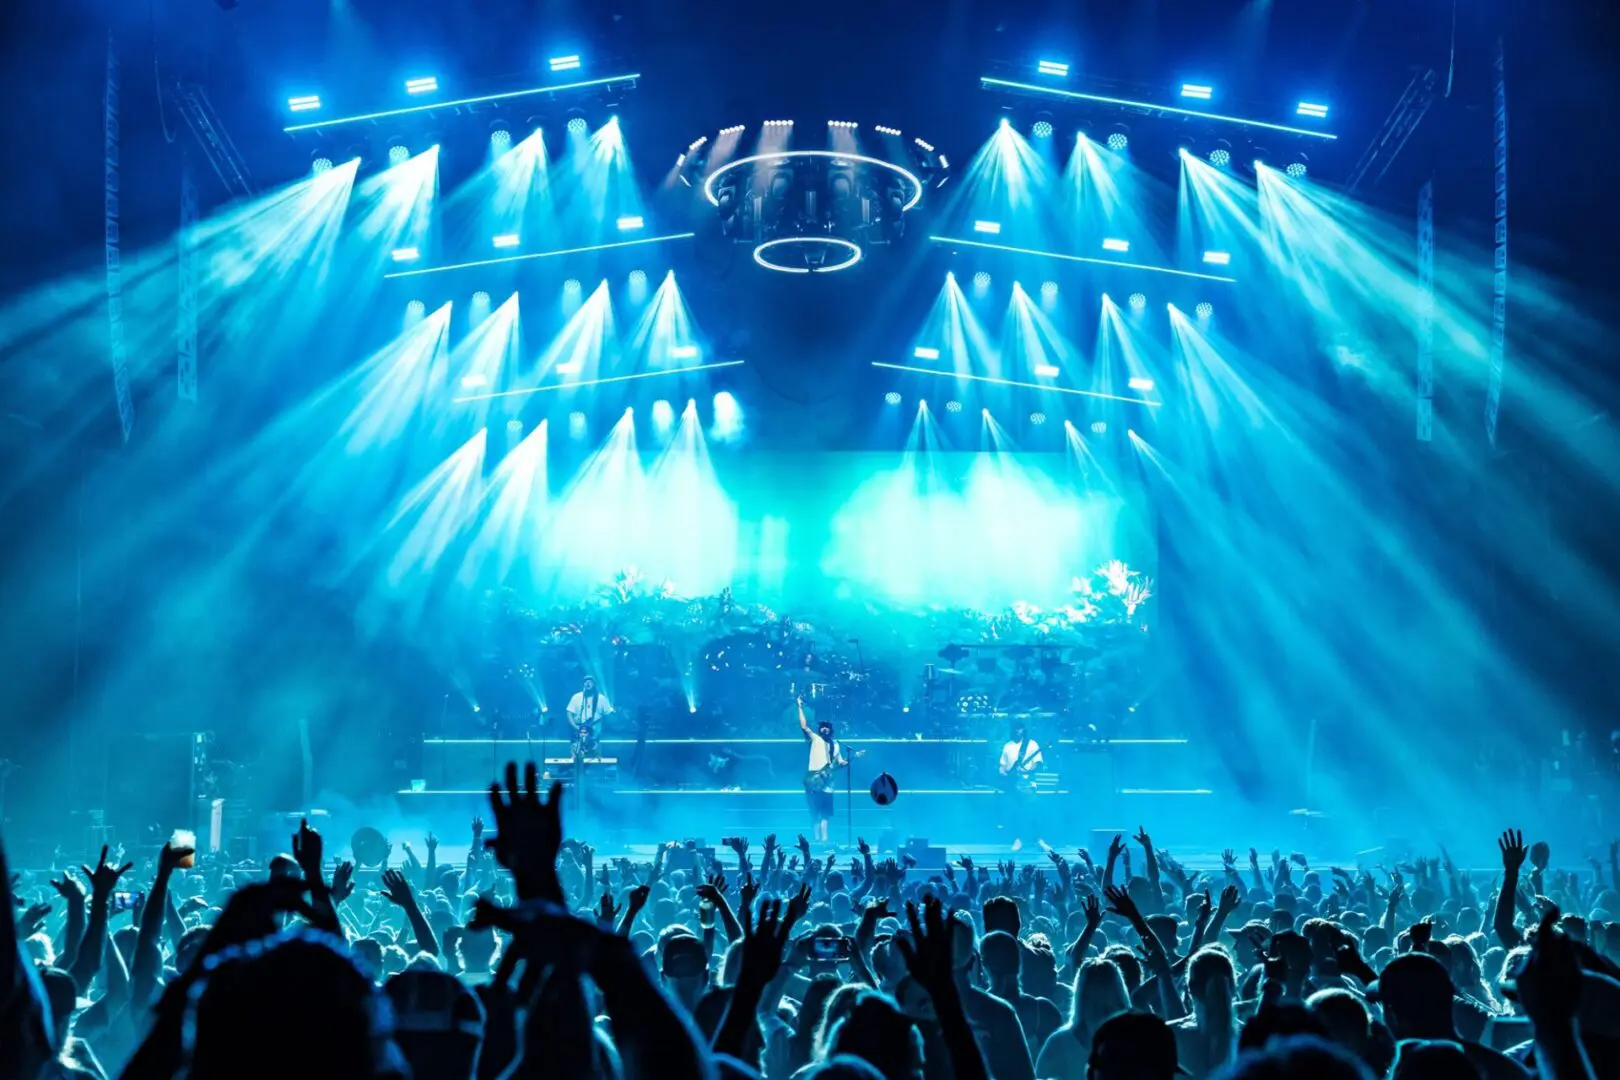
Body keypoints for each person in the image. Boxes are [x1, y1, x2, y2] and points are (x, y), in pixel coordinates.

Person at [800, 701, 848, 844]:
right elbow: (804, 726)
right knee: (815, 814)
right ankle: (816, 840)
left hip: (828, 783)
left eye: (827, 727)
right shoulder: (815, 739)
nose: (825, 729)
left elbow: (839, 762)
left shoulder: (836, 744)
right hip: (813, 781)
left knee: (826, 814)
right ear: (820, 729)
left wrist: (847, 761)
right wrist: (800, 707)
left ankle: (824, 840)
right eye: (823, 727)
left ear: (831, 730)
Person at [998, 720, 1043, 851]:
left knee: (1033, 812)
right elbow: (1002, 765)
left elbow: (1037, 763)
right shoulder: (1007, 746)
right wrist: (1002, 772)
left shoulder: (1032, 744)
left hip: (1028, 785)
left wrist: (1027, 771)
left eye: (1019, 728)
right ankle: (1018, 839)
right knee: (1016, 812)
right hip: (1013, 785)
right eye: (1014, 728)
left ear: (1023, 729)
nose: (1016, 731)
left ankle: (1039, 840)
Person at [565, 675, 612, 756]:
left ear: (594, 684)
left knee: (594, 754)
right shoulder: (576, 697)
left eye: (590, 681)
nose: (588, 683)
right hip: (578, 731)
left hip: (594, 733)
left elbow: (608, 715)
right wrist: (575, 726)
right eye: (586, 681)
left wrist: (601, 726)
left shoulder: (601, 698)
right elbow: (569, 712)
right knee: (575, 754)